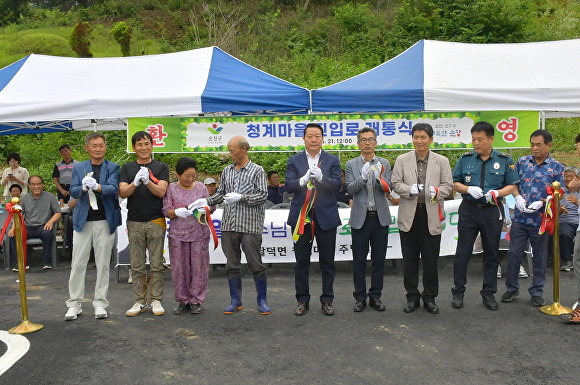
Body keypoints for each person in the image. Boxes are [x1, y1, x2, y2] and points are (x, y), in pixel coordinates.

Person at [190, 136, 271, 315]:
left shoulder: (257, 170)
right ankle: (235, 300)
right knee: (232, 265)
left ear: (244, 149)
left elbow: (263, 196)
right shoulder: (227, 170)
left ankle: (262, 300)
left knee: (256, 264)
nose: (230, 153)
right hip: (229, 225)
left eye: (232, 150)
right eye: (229, 150)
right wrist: (205, 201)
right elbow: (220, 194)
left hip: (250, 226)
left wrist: (241, 197)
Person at [451, 121, 519, 310]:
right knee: (462, 252)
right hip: (469, 209)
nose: (476, 143)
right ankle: (458, 292)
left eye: (480, 139)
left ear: (491, 139)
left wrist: (498, 193)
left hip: (491, 210)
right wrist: (467, 189)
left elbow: (512, 184)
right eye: (473, 139)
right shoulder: (465, 159)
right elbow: (454, 183)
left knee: (491, 252)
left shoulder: (505, 160)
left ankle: (488, 293)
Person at [392, 123, 453, 314]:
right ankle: (412, 297)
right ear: (412, 138)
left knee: (430, 260)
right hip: (410, 215)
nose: (419, 141)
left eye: (423, 137)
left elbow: (448, 185)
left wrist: (437, 191)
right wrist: (407, 190)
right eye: (416, 137)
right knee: (409, 260)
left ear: (431, 139)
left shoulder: (441, 161)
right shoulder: (402, 159)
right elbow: (395, 183)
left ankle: (429, 297)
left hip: (431, 215)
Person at [501, 129, 564, 307]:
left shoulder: (557, 167)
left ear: (548, 145)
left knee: (539, 256)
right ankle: (512, 288)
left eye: (539, 145)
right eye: (532, 144)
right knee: (514, 253)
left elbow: (560, 194)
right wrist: (517, 197)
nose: (534, 148)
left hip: (541, 220)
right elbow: (512, 183)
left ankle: (537, 291)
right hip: (520, 218)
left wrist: (544, 202)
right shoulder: (522, 162)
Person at [285, 123, 342, 316]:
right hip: (303, 218)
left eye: (317, 136)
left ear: (322, 138)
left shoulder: (332, 159)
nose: (314, 139)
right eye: (310, 136)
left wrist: (322, 178)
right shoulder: (294, 160)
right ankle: (302, 300)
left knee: (328, 262)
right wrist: (304, 179)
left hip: (326, 217)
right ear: (304, 139)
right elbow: (289, 186)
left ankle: (327, 300)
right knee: (302, 261)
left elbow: (337, 186)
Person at [64, 132, 122, 321]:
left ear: (105, 147)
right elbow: (72, 190)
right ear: (86, 148)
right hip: (83, 222)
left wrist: (97, 187)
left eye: (101, 145)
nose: (98, 149)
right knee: (78, 264)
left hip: (105, 221)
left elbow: (113, 188)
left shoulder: (112, 167)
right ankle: (74, 303)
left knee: (103, 264)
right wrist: (82, 188)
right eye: (94, 146)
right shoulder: (79, 167)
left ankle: (100, 303)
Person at [119, 131, 170, 317]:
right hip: (134, 221)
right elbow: (123, 192)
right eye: (139, 144)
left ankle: (156, 300)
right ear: (134, 148)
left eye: (146, 143)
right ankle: (139, 302)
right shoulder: (127, 168)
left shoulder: (160, 166)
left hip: (156, 220)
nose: (143, 147)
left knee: (156, 263)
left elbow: (161, 192)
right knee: (137, 264)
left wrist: (148, 181)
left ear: (152, 145)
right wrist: (135, 182)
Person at [345, 127, 392, 313]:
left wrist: (379, 177)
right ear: (358, 143)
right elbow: (349, 189)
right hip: (360, 219)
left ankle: (376, 296)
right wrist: (363, 178)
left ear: (375, 143)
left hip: (379, 218)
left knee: (379, 260)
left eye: (370, 139)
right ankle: (360, 297)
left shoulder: (385, 163)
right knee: (359, 260)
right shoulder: (351, 164)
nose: (367, 143)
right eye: (363, 140)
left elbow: (388, 188)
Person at [162, 157, 213, 315]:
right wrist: (175, 212)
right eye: (187, 176)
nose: (191, 179)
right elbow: (166, 210)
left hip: (199, 233)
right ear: (177, 174)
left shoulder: (201, 188)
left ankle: (196, 300)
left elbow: (211, 206)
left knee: (199, 268)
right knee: (179, 268)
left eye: (193, 175)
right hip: (178, 234)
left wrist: (207, 209)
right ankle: (182, 300)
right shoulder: (171, 188)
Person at [9, 175, 61, 270]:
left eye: (38, 184)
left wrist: (50, 222)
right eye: (33, 184)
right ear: (29, 186)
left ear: (43, 185)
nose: (36, 187)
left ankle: (47, 262)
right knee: (14, 234)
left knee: (47, 234)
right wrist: (13, 227)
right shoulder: (24, 198)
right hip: (28, 227)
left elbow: (58, 212)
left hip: (43, 226)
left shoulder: (50, 197)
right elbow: (17, 214)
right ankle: (21, 263)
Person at [556, 166, 579, 272]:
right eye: (566, 176)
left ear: (577, 178)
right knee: (565, 233)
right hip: (566, 220)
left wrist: (577, 203)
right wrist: (560, 211)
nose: (568, 179)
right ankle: (567, 261)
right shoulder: (559, 192)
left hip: (579, 220)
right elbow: (552, 212)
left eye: (571, 176)